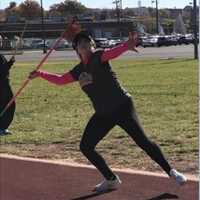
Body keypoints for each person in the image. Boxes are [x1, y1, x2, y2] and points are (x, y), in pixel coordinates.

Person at [29, 31, 187, 192]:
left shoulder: (99, 57)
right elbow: (61, 80)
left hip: (122, 107)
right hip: (104, 114)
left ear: (93, 45)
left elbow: (113, 53)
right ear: (76, 49)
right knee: (86, 146)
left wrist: (126, 45)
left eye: (86, 40)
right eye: (79, 42)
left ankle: (171, 171)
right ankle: (111, 179)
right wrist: (40, 74)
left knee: (142, 141)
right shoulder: (78, 70)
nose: (83, 43)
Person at [0, 54, 15, 135]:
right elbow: (2, 70)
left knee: (9, 105)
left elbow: (4, 69)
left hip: (4, 84)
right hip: (1, 85)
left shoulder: (1, 56)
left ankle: (3, 127)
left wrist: (10, 63)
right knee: (5, 105)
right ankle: (1, 127)